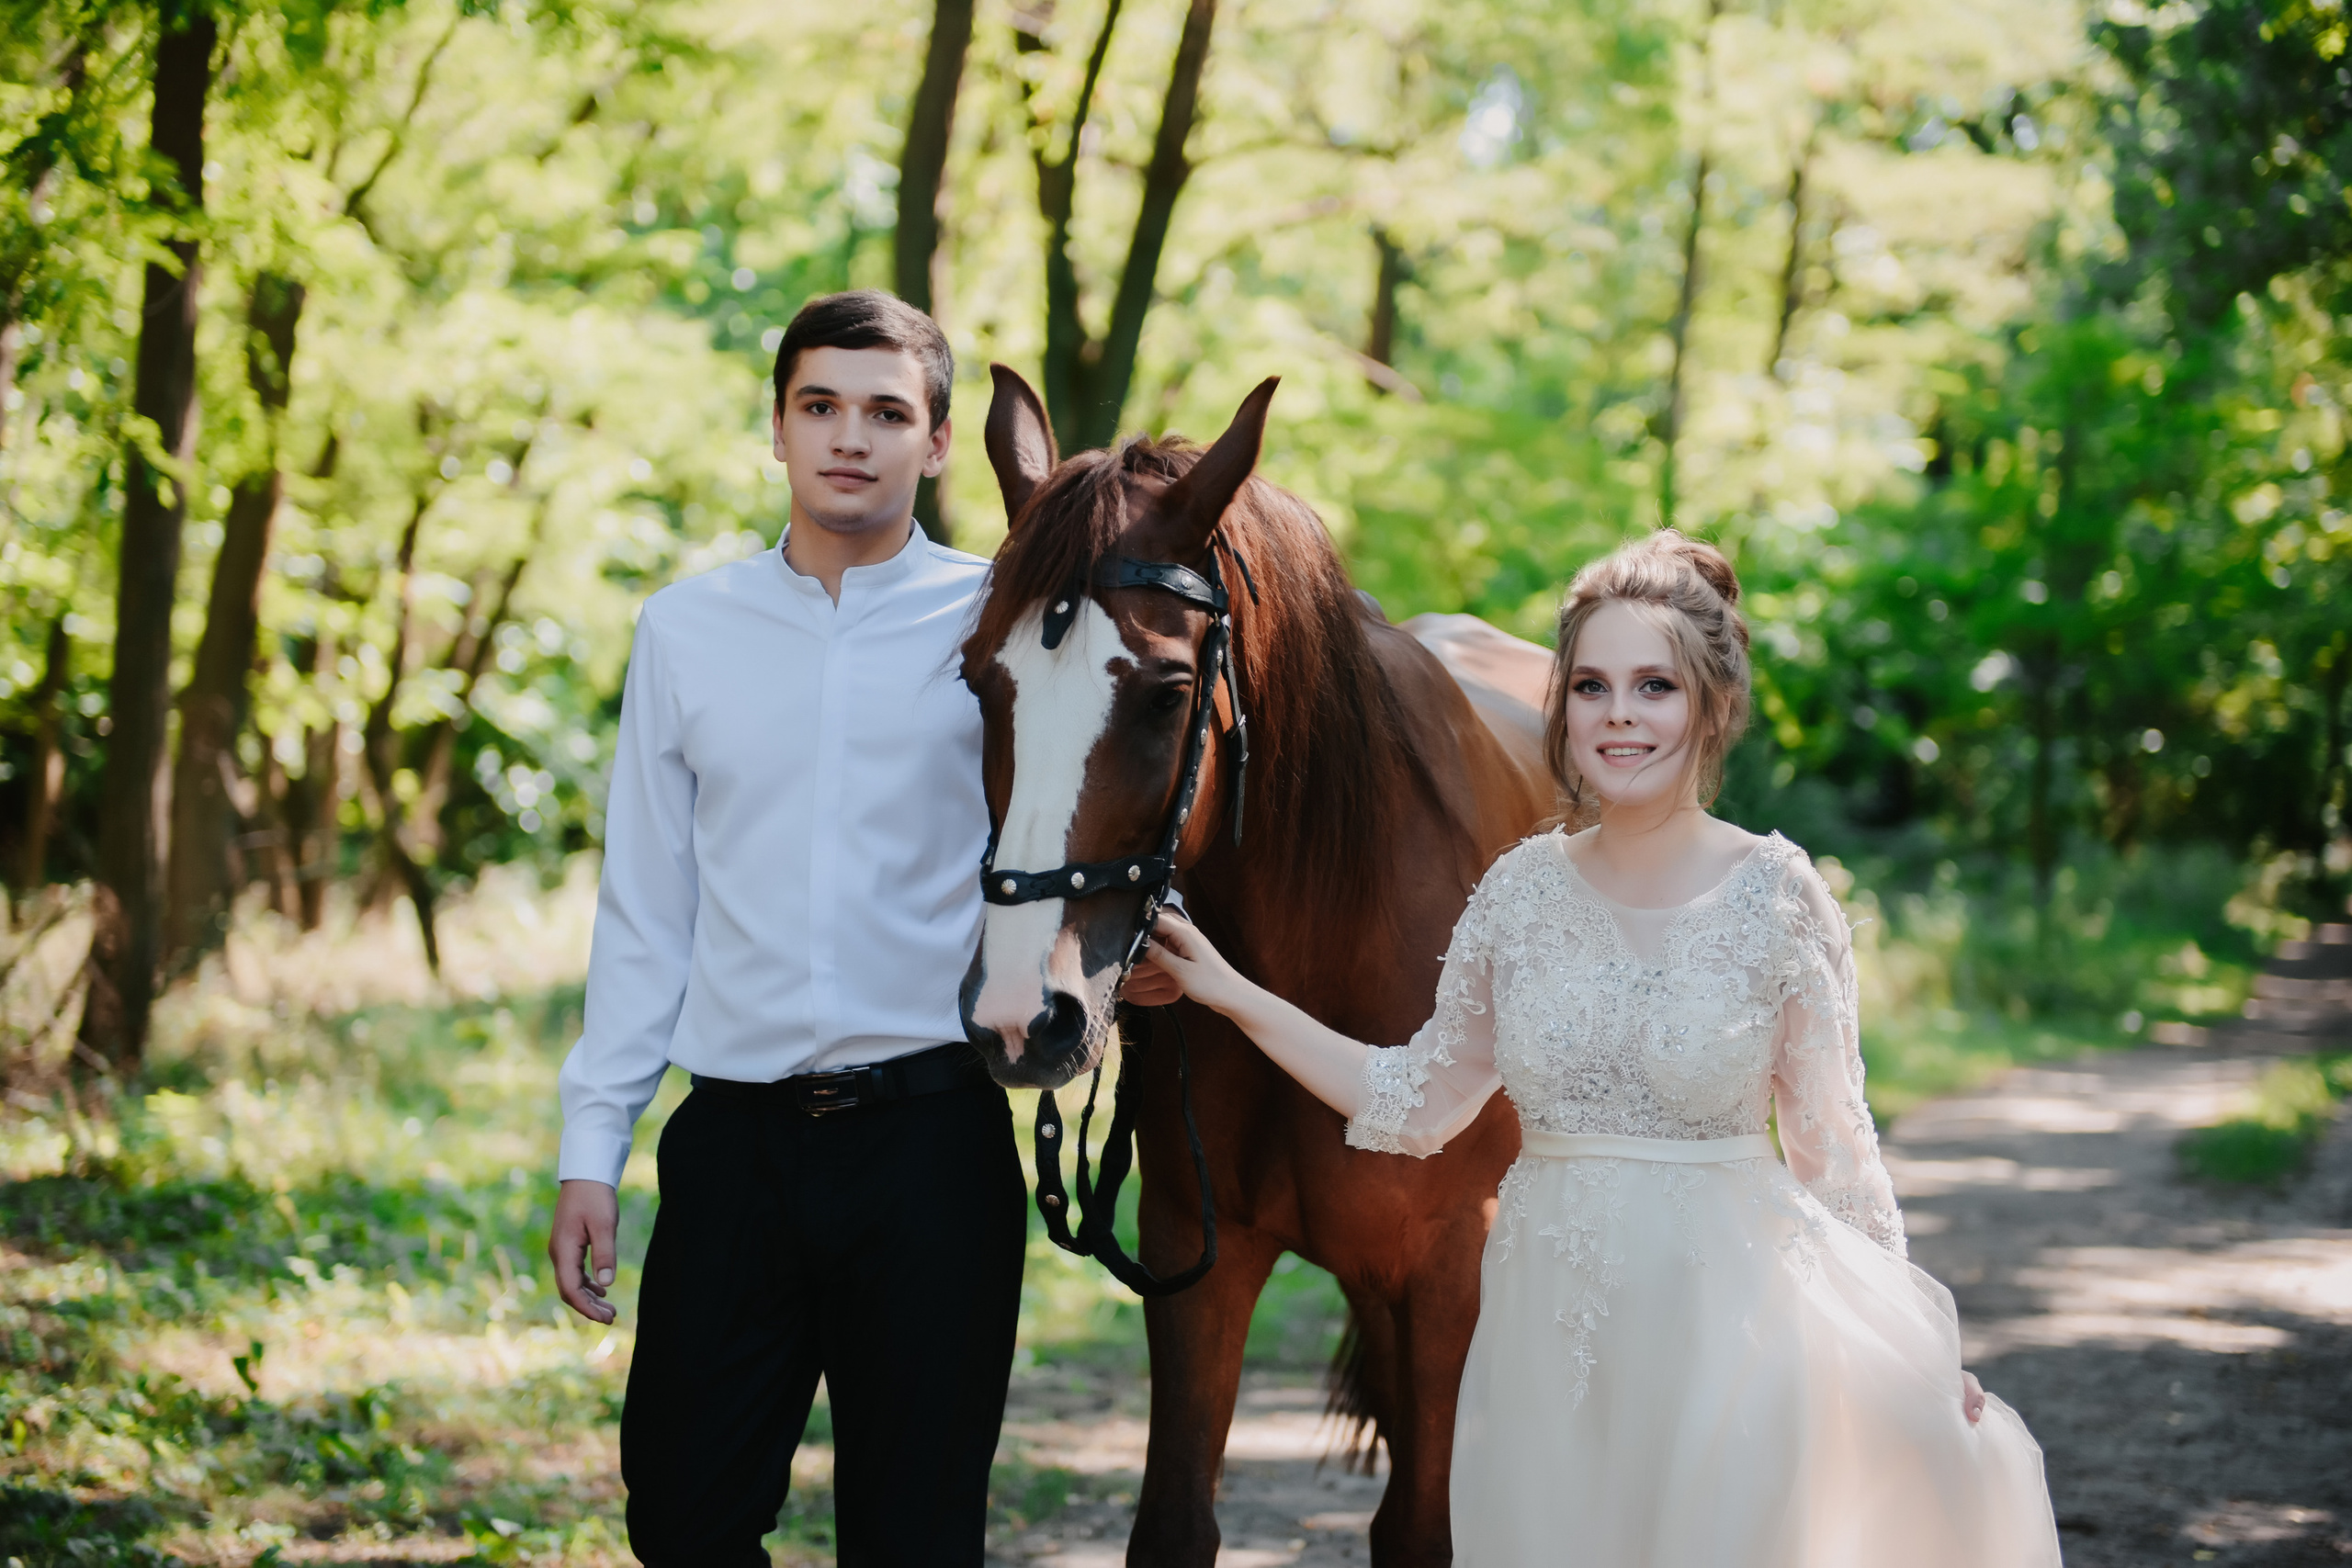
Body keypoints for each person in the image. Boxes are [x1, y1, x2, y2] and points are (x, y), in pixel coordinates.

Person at [1144, 530, 2063, 1567]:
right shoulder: (1517, 894)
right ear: (1562, 707)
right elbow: (1409, 1097)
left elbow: (1835, 1157)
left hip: (1732, 1342)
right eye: (1590, 685)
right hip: (1546, 1356)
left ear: (1710, 705)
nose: (1619, 714)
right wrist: (1225, 991)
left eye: (1653, 686)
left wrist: (1916, 1347)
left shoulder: (1778, 896)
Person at [544, 289, 1029, 1567]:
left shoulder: (1003, 630)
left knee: (915, 1541)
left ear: (935, 443)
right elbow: (648, 907)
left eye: (886, 411)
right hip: (735, 1146)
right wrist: (592, 1142)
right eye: (819, 405)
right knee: (683, 1516)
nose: (848, 438)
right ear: (777, 429)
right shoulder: (685, 628)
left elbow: (1073, 845)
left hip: (934, 1146)